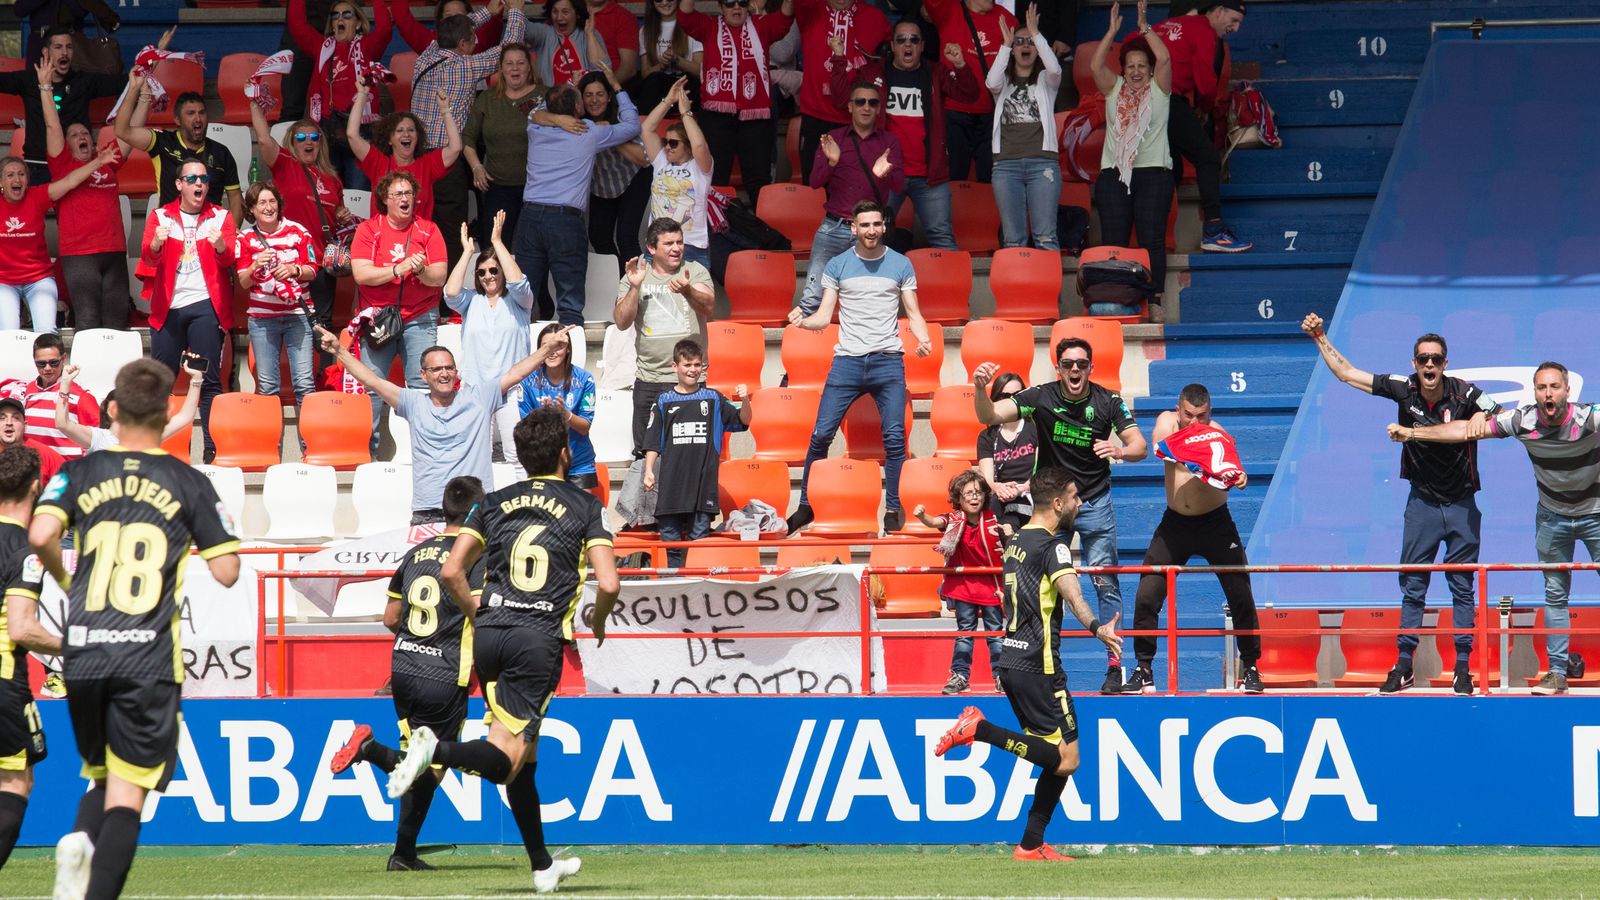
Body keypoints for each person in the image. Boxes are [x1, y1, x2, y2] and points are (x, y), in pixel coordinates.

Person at [370, 406, 620, 894]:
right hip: (537, 637)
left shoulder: (494, 502)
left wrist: (477, 612)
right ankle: (431, 750)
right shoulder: (584, 504)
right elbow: (608, 580)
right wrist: (603, 619)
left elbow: (450, 571)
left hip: (490, 635)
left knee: (525, 762)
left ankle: (543, 865)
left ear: (522, 459)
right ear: (566, 454)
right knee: (507, 758)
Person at [32, 358, 241, 900]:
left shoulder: (78, 471)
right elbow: (227, 571)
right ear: (169, 411)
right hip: (147, 657)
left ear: (115, 410)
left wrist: (65, 576)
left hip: (84, 652)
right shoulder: (187, 480)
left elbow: (39, 534)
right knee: (128, 797)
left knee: (100, 778)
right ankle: (91, 873)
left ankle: (79, 837)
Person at [1303, 313, 1499, 695]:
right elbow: (1348, 374)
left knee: (1463, 586)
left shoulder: (1466, 394)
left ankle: (1462, 667)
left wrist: (1472, 421)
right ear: (1414, 364)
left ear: (1446, 363)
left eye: (1436, 359)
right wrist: (1320, 337)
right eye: (1423, 359)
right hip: (1422, 505)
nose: (1429, 365)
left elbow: (1498, 416)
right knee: (1413, 587)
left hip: (1462, 503)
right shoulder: (1401, 387)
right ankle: (1405, 664)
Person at [934, 466, 1120, 861]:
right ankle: (979, 729)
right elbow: (1071, 593)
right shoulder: (1054, 546)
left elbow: (1011, 599)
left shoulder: (1015, 541)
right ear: (1057, 503)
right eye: (1073, 496)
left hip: (1012, 658)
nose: (1079, 502)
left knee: (1056, 760)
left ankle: (1031, 845)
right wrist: (1096, 628)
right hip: (1041, 664)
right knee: (1067, 760)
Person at [1395, 360, 1596, 696]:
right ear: (1535, 392)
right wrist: (1413, 433)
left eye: (1555, 387)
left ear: (1568, 391)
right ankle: (1557, 673)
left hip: (1596, 513)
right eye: (1542, 387)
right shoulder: (1523, 420)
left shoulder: (1589, 419)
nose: (1548, 393)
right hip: (1552, 516)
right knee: (1555, 594)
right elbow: (1462, 431)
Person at [329, 475, 486, 872]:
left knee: (422, 765)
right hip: (445, 673)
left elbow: (391, 617)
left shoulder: (416, 554)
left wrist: (420, 639)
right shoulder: (476, 556)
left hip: (403, 670)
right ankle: (371, 750)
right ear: (473, 513)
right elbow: (481, 612)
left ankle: (403, 854)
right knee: (431, 763)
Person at [973, 337, 1146, 694]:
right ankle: (1045, 665)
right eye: (1068, 364)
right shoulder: (1040, 396)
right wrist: (979, 388)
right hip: (1054, 507)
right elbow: (989, 416)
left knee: (1104, 581)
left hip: (1094, 502)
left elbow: (1140, 446)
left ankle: (1115, 667)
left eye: (1082, 364)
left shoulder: (1107, 400)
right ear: (1058, 368)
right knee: (1043, 585)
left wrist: (1119, 450)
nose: (1075, 370)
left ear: (1091, 368)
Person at [316, 322, 579, 523]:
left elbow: (514, 373)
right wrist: (340, 350)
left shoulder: (479, 397)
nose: (444, 374)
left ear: (456, 371)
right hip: (428, 512)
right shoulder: (412, 402)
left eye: (449, 368)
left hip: (475, 511)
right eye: (437, 369)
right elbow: (373, 380)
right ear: (423, 375)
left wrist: (546, 349)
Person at [786, 200, 930, 534]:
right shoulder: (837, 264)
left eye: (876, 224)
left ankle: (893, 510)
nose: (871, 231)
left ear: (884, 226)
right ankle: (806, 505)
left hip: (887, 362)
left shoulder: (901, 263)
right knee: (821, 434)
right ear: (853, 228)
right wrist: (803, 322)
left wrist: (923, 339)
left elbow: (914, 312)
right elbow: (824, 316)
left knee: (895, 439)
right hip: (847, 362)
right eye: (864, 225)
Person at [1127, 383, 1263, 694]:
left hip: (1216, 524)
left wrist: (1237, 476)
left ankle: (1252, 667)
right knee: (1147, 593)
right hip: (1175, 524)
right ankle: (1143, 668)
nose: (1194, 422)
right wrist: (1196, 446)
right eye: (1188, 414)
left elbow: (1232, 471)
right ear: (1179, 409)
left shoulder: (1218, 433)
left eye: (1201, 416)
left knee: (1241, 593)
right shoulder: (1167, 421)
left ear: (1210, 413)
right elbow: (1162, 443)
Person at [832, 20, 976, 251]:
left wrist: (960, 64)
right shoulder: (874, 73)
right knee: (870, 238)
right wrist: (839, 58)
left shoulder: (936, 72)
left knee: (942, 238)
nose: (907, 45)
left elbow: (970, 95)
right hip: (885, 174)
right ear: (892, 45)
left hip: (930, 175)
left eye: (913, 40)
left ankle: (953, 288)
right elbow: (840, 99)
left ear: (921, 46)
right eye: (901, 40)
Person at [411, 0, 529, 270]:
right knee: (452, 230)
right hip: (446, 161)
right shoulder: (464, 68)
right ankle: (448, 301)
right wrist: (516, 10)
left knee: (422, 226)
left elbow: (451, 29)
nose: (476, 42)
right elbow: (507, 51)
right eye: (472, 40)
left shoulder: (424, 58)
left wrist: (490, 10)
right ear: (463, 45)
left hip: (417, 158)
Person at [518, 77, 641, 325]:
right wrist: (618, 88)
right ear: (577, 108)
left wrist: (555, 117)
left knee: (522, 298)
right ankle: (568, 358)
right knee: (570, 301)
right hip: (564, 221)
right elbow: (632, 125)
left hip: (530, 217)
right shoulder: (588, 131)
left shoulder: (535, 129)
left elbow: (533, 112)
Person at [1132, 0, 1251, 253]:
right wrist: (1204, 109)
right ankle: (1213, 231)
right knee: (1208, 158)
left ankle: (1155, 235)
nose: (1235, 28)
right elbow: (1207, 84)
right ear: (1218, 12)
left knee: (1170, 170)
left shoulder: (1168, 24)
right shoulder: (1205, 31)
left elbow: (1132, 42)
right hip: (1166, 100)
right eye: (1234, 20)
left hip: (1143, 103)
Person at [139, 160, 237, 462]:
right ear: (179, 184)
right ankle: (156, 447)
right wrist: (156, 242)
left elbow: (228, 261)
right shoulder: (160, 215)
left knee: (208, 381)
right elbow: (148, 257)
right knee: (161, 381)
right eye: (192, 178)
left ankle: (212, 449)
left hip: (205, 305)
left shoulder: (221, 217)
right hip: (169, 307)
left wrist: (221, 246)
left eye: (204, 178)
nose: (199, 183)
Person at [248, 95, 354, 355]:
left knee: (323, 324)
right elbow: (263, 139)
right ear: (292, 143)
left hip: (320, 262)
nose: (309, 142)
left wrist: (342, 214)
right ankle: (299, 382)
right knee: (291, 323)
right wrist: (253, 104)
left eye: (315, 138)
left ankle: (324, 383)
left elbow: (334, 213)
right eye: (302, 138)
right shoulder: (285, 164)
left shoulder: (332, 179)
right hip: (287, 259)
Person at [349, 171, 449, 443]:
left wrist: (420, 272)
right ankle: (366, 450)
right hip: (379, 317)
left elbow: (439, 276)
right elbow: (361, 274)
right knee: (373, 386)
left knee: (421, 385)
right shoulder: (369, 230)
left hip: (420, 315)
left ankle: (425, 447)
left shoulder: (428, 230)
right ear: (385, 199)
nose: (405, 199)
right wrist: (397, 269)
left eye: (409, 194)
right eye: (399, 194)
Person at [36, 55, 132, 331]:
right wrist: (45, 88)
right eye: (75, 134)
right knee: (88, 322)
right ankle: (84, 375)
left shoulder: (107, 159)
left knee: (117, 324)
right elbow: (53, 126)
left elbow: (127, 131)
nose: (82, 137)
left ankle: (117, 376)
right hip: (80, 254)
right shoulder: (63, 163)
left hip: (113, 251)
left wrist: (139, 89)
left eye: (86, 134)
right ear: (66, 145)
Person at [1094, 1, 1173, 321]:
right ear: (1123, 70)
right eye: (1130, 66)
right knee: (1114, 241)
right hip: (1114, 174)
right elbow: (1095, 66)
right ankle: (1117, 300)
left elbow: (1165, 56)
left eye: (1142, 65)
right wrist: (1111, 32)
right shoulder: (1114, 91)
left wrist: (1143, 26)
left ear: (1151, 70)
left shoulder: (1160, 90)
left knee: (1151, 239)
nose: (1137, 71)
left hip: (1154, 172)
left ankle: (1153, 300)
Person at [642, 339, 752, 566]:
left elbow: (744, 421)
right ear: (675, 367)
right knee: (670, 547)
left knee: (699, 546)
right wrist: (648, 471)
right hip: (671, 487)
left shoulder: (712, 398)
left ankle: (697, 595)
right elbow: (653, 441)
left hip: (703, 488)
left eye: (697, 364)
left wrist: (745, 400)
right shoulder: (663, 400)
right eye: (687, 365)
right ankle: (671, 592)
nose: (692, 370)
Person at [799, 82, 904, 313]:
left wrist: (884, 174)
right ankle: (807, 348)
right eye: (860, 102)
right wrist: (832, 162)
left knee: (874, 301)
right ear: (850, 107)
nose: (866, 107)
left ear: (879, 109)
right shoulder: (833, 139)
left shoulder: (889, 142)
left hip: (870, 229)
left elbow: (899, 186)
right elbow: (814, 182)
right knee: (812, 300)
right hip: (833, 227)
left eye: (872, 102)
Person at [614, 218, 715, 457]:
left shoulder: (694, 270)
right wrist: (635, 287)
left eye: (679, 242)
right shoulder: (636, 275)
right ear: (651, 248)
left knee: (690, 455)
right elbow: (621, 321)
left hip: (690, 379)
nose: (676, 248)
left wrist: (688, 290)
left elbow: (709, 306)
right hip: (649, 379)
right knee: (645, 454)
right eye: (669, 243)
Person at [676, 0, 794, 199]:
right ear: (720, 8)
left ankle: (760, 230)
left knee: (758, 181)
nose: (736, 7)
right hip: (716, 117)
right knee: (715, 178)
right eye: (730, 3)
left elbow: (785, 16)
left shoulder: (761, 26)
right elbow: (685, 14)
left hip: (755, 115)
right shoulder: (709, 26)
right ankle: (716, 228)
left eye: (742, 2)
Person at [445, 212, 535, 465]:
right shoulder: (471, 301)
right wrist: (467, 253)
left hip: (513, 390)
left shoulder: (519, 302)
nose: (488, 276)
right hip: (476, 390)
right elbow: (451, 292)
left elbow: (519, 282)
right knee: (476, 458)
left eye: (494, 270)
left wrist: (497, 242)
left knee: (517, 458)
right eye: (482, 272)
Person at [0, 146, 113, 333]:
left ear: (28, 180)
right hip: (3, 281)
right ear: (1, 182)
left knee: (47, 332)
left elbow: (69, 181)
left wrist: (98, 162)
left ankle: (47, 363)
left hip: (38, 279)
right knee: (8, 333)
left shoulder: (37, 196)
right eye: (10, 175)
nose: (17, 179)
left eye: (21, 174)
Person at [913, 469, 1006, 695]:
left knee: (995, 632)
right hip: (963, 586)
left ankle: (1002, 676)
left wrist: (1010, 534)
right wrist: (921, 516)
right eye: (968, 494)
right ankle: (960, 676)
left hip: (991, 586)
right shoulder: (953, 520)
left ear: (985, 496)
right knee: (965, 632)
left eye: (978, 493)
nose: (974, 497)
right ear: (959, 498)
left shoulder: (995, 520)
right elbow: (934, 521)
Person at [286, 0, 394, 189]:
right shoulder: (321, 46)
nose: (340, 18)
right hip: (326, 130)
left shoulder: (368, 46)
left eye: (347, 14)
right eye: (335, 15)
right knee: (330, 191)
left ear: (358, 23)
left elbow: (385, 30)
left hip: (360, 130)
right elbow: (297, 25)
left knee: (357, 192)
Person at [0, 445, 48, 872]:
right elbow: (22, 628)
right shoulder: (24, 550)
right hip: (3, 684)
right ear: (37, 487)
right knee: (15, 782)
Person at [0, 25, 123, 186]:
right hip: (37, 166)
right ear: (46, 52)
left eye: (69, 47)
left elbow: (125, 83)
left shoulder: (84, 82)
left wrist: (149, 64)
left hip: (74, 167)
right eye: (58, 47)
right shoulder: (28, 80)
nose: (64, 52)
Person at [986, 5, 1064, 251]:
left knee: (1045, 238)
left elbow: (1054, 68)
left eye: (1029, 42)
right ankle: (1017, 291)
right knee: (1012, 241)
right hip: (1006, 166)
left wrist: (1036, 34)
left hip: (1042, 164)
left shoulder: (1046, 81)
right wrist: (1005, 45)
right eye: (1019, 42)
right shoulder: (1004, 82)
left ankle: (1050, 292)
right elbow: (991, 81)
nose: (1025, 45)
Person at [116, 73, 243, 223]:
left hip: (210, 235)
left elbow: (235, 197)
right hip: (171, 231)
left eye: (202, 113)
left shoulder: (221, 152)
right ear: (177, 119)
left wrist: (230, 235)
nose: (198, 118)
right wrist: (134, 89)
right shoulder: (162, 142)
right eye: (190, 113)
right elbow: (122, 131)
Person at [237, 182, 319, 407]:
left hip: (298, 315)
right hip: (263, 319)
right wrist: (254, 266)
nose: (268, 207)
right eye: (261, 202)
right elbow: (243, 282)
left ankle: (308, 443)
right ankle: (268, 442)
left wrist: (295, 270)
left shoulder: (298, 231)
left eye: (272, 201)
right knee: (267, 386)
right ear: (252, 209)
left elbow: (313, 270)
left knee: (305, 384)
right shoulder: (244, 239)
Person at [793, 0, 890, 184]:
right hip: (816, 116)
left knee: (853, 187)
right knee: (813, 185)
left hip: (855, 119)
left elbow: (893, 54)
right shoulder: (811, 10)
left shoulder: (875, 18)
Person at [925, 0, 1016, 184]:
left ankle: (987, 214)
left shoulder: (1007, 18)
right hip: (954, 112)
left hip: (992, 114)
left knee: (991, 178)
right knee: (955, 176)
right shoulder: (948, 10)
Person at [350, 84, 464, 225]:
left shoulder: (426, 164)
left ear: (418, 137)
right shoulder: (378, 162)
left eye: (411, 130)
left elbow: (455, 147)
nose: (406, 134)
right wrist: (362, 94)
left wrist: (445, 110)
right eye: (399, 130)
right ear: (389, 140)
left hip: (417, 240)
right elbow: (352, 135)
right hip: (383, 241)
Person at [465, 44, 545, 245]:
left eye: (520, 63)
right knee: (495, 245)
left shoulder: (546, 96)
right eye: (509, 63)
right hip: (497, 186)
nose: (515, 68)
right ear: (501, 69)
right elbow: (467, 137)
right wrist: (476, 167)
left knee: (533, 246)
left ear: (529, 67)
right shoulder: (488, 98)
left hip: (538, 187)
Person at [570, 70, 651, 265]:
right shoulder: (575, 121)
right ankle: (619, 280)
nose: (594, 100)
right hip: (600, 185)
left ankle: (634, 290)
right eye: (588, 95)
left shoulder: (623, 117)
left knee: (626, 238)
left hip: (633, 178)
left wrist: (610, 134)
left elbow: (644, 159)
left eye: (600, 94)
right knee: (598, 236)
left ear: (608, 97)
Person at [55, 357, 203, 455]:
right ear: (112, 410)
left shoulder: (146, 436)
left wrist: (196, 379)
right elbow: (63, 424)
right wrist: (65, 383)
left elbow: (186, 416)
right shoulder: (98, 437)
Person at [641, 78, 715, 269]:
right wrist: (668, 100)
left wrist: (685, 112)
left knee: (690, 299)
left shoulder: (699, 168)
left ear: (688, 147)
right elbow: (647, 129)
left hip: (690, 247)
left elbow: (699, 144)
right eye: (666, 141)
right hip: (657, 246)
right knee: (655, 299)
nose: (667, 147)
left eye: (674, 143)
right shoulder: (661, 161)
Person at [518, 322, 598, 488]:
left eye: (559, 346)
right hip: (543, 465)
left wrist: (565, 414)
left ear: (568, 349)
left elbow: (584, 427)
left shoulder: (585, 380)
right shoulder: (527, 381)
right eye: (547, 346)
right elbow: (526, 430)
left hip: (579, 464)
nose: (552, 352)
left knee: (581, 514)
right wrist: (544, 416)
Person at [3, 333, 98, 461]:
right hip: (33, 473)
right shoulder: (23, 393)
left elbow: (100, 440)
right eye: (41, 364)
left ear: (63, 358)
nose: (47, 368)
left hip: (67, 473)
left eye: (53, 363)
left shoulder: (81, 397)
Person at [977, 372, 1038, 535]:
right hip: (1000, 497)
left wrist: (1020, 489)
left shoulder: (1036, 428)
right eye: (1005, 396)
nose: (1012, 400)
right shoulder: (987, 436)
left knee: (1008, 522)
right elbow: (987, 479)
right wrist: (999, 488)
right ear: (996, 399)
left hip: (1031, 494)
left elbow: (1042, 471)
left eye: (1017, 395)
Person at [525, 0, 611, 87]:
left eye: (565, 12)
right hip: (551, 98)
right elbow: (521, 27)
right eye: (555, 11)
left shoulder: (589, 34)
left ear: (577, 14)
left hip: (584, 98)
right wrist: (514, 7)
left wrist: (590, 34)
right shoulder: (545, 33)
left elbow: (603, 72)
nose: (559, 17)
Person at [635, 0, 703, 111]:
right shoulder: (645, 30)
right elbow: (645, 74)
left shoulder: (693, 25)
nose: (665, 2)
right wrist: (661, 65)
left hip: (686, 82)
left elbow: (700, 72)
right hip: (659, 85)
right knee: (652, 83)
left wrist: (677, 60)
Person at [392, 0, 507, 55]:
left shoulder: (481, 38)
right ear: (441, 20)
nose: (454, 20)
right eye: (448, 16)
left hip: (477, 100)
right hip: (440, 100)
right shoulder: (430, 44)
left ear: (470, 17)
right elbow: (403, 19)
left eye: (459, 15)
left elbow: (495, 11)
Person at [0, 398, 63, 485]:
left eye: (16, 418)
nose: (9, 422)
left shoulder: (46, 456)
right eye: (2, 418)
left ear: (25, 425)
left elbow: (69, 487)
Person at [587, 0, 641, 82]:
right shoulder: (569, 13)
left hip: (612, 83)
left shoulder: (624, 17)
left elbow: (629, 69)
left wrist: (607, 88)